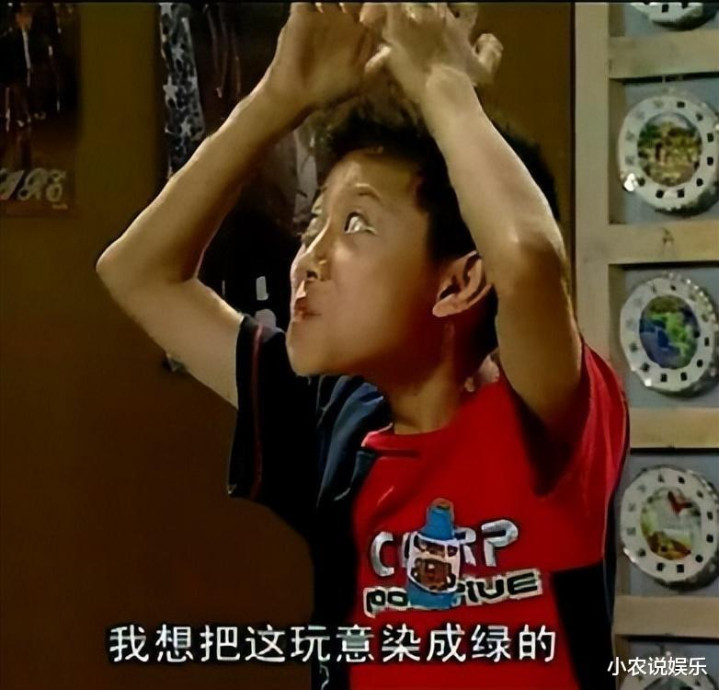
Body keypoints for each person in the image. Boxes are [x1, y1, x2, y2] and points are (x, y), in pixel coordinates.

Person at [96, 4, 629, 689]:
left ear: (460, 281)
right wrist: (278, 98)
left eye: (356, 225)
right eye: (313, 224)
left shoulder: (545, 414)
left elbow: (526, 259)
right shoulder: (332, 421)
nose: (308, 260)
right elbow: (138, 273)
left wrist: (441, 84)